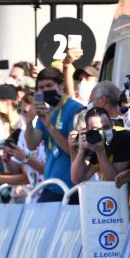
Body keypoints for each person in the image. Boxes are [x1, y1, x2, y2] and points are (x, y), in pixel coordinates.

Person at [24, 66, 85, 202]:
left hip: (70, 187)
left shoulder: (75, 109)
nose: (45, 90)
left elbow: (73, 150)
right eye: (41, 87)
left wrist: (50, 126)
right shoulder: (46, 111)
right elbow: (32, 145)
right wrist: (29, 121)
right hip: (50, 184)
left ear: (61, 85)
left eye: (49, 85)